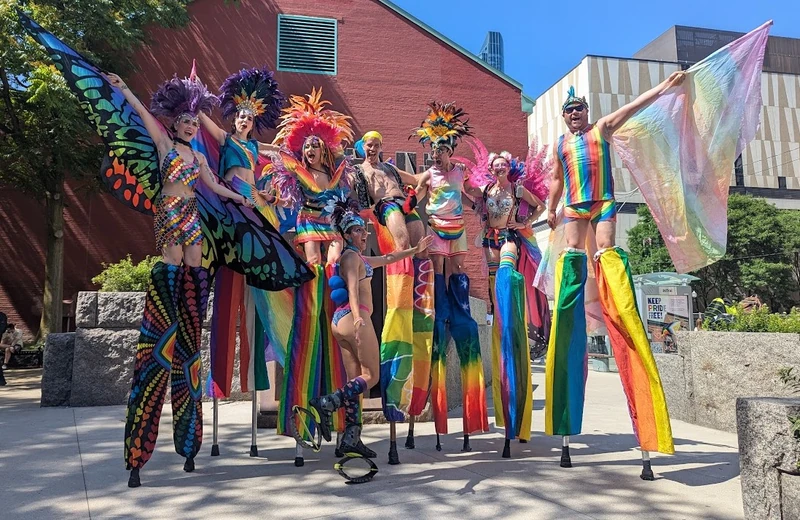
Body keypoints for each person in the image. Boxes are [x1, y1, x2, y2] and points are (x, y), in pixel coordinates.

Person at [544, 73, 686, 477]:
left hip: (603, 202)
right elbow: (556, 179)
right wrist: (550, 208)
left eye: (579, 109)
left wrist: (662, 89)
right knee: (573, 255)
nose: (575, 115)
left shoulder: (601, 129)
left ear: (587, 113)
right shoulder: (561, 144)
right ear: (564, 117)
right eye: (570, 111)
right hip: (574, 207)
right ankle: (577, 289)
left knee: (605, 250)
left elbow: (633, 107)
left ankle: (608, 283)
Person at [270, 88, 355, 466]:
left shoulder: (333, 175)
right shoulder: (300, 172)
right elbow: (276, 155)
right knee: (314, 271)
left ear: (324, 150)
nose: (310, 152)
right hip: (308, 230)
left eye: (316, 147)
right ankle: (316, 282)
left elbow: (344, 206)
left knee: (332, 270)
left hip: (330, 230)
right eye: (307, 147)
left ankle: (336, 415)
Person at [310, 200, 432, 457]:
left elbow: (389, 258)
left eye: (363, 230)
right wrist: (358, 319)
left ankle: (351, 439)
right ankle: (327, 402)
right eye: (357, 230)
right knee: (371, 377)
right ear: (345, 234)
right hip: (355, 319)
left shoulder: (358, 257)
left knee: (356, 381)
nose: (363, 234)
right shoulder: (352, 257)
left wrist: (413, 250)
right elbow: (353, 290)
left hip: (339, 322)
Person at [351, 130, 432, 463]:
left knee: (419, 237)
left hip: (406, 201)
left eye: (377, 144)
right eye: (368, 144)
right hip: (385, 208)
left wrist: (436, 172)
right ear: (363, 148)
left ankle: (415, 278)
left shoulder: (391, 170)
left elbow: (420, 177)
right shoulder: (361, 171)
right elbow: (358, 200)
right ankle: (405, 266)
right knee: (401, 240)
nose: (373, 148)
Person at [413, 102, 489, 451]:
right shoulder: (429, 176)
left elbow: (472, 194)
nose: (437, 156)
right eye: (433, 150)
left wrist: (483, 204)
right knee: (440, 271)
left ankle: (456, 304)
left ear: (450, 151)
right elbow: (414, 194)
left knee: (458, 269)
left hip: (457, 228)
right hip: (437, 228)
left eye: (442, 150)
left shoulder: (458, 172)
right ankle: (442, 305)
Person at [472, 147, 550, 457]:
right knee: (494, 282)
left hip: (509, 238)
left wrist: (525, 222)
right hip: (489, 239)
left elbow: (540, 205)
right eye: (496, 165)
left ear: (509, 167)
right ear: (492, 169)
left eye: (504, 164)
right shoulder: (487, 189)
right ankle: (495, 310)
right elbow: (469, 196)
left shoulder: (517, 189)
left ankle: (507, 309)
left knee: (506, 270)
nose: (500, 168)